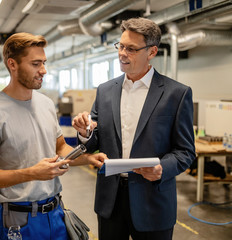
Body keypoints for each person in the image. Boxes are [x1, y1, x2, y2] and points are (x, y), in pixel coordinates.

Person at [0, 32, 106, 240]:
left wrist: (88, 159)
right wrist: (32, 173)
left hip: (56, 213)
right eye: (35, 64)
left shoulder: (46, 104)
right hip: (20, 221)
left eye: (43, 62)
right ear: (12, 64)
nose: (43, 70)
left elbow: (60, 148)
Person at [72, 17, 195, 240]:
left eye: (131, 48)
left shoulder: (177, 94)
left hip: (153, 201)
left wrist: (161, 169)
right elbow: (95, 140)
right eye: (120, 46)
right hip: (111, 200)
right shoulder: (105, 90)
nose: (122, 53)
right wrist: (85, 132)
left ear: (152, 51)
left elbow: (185, 152)